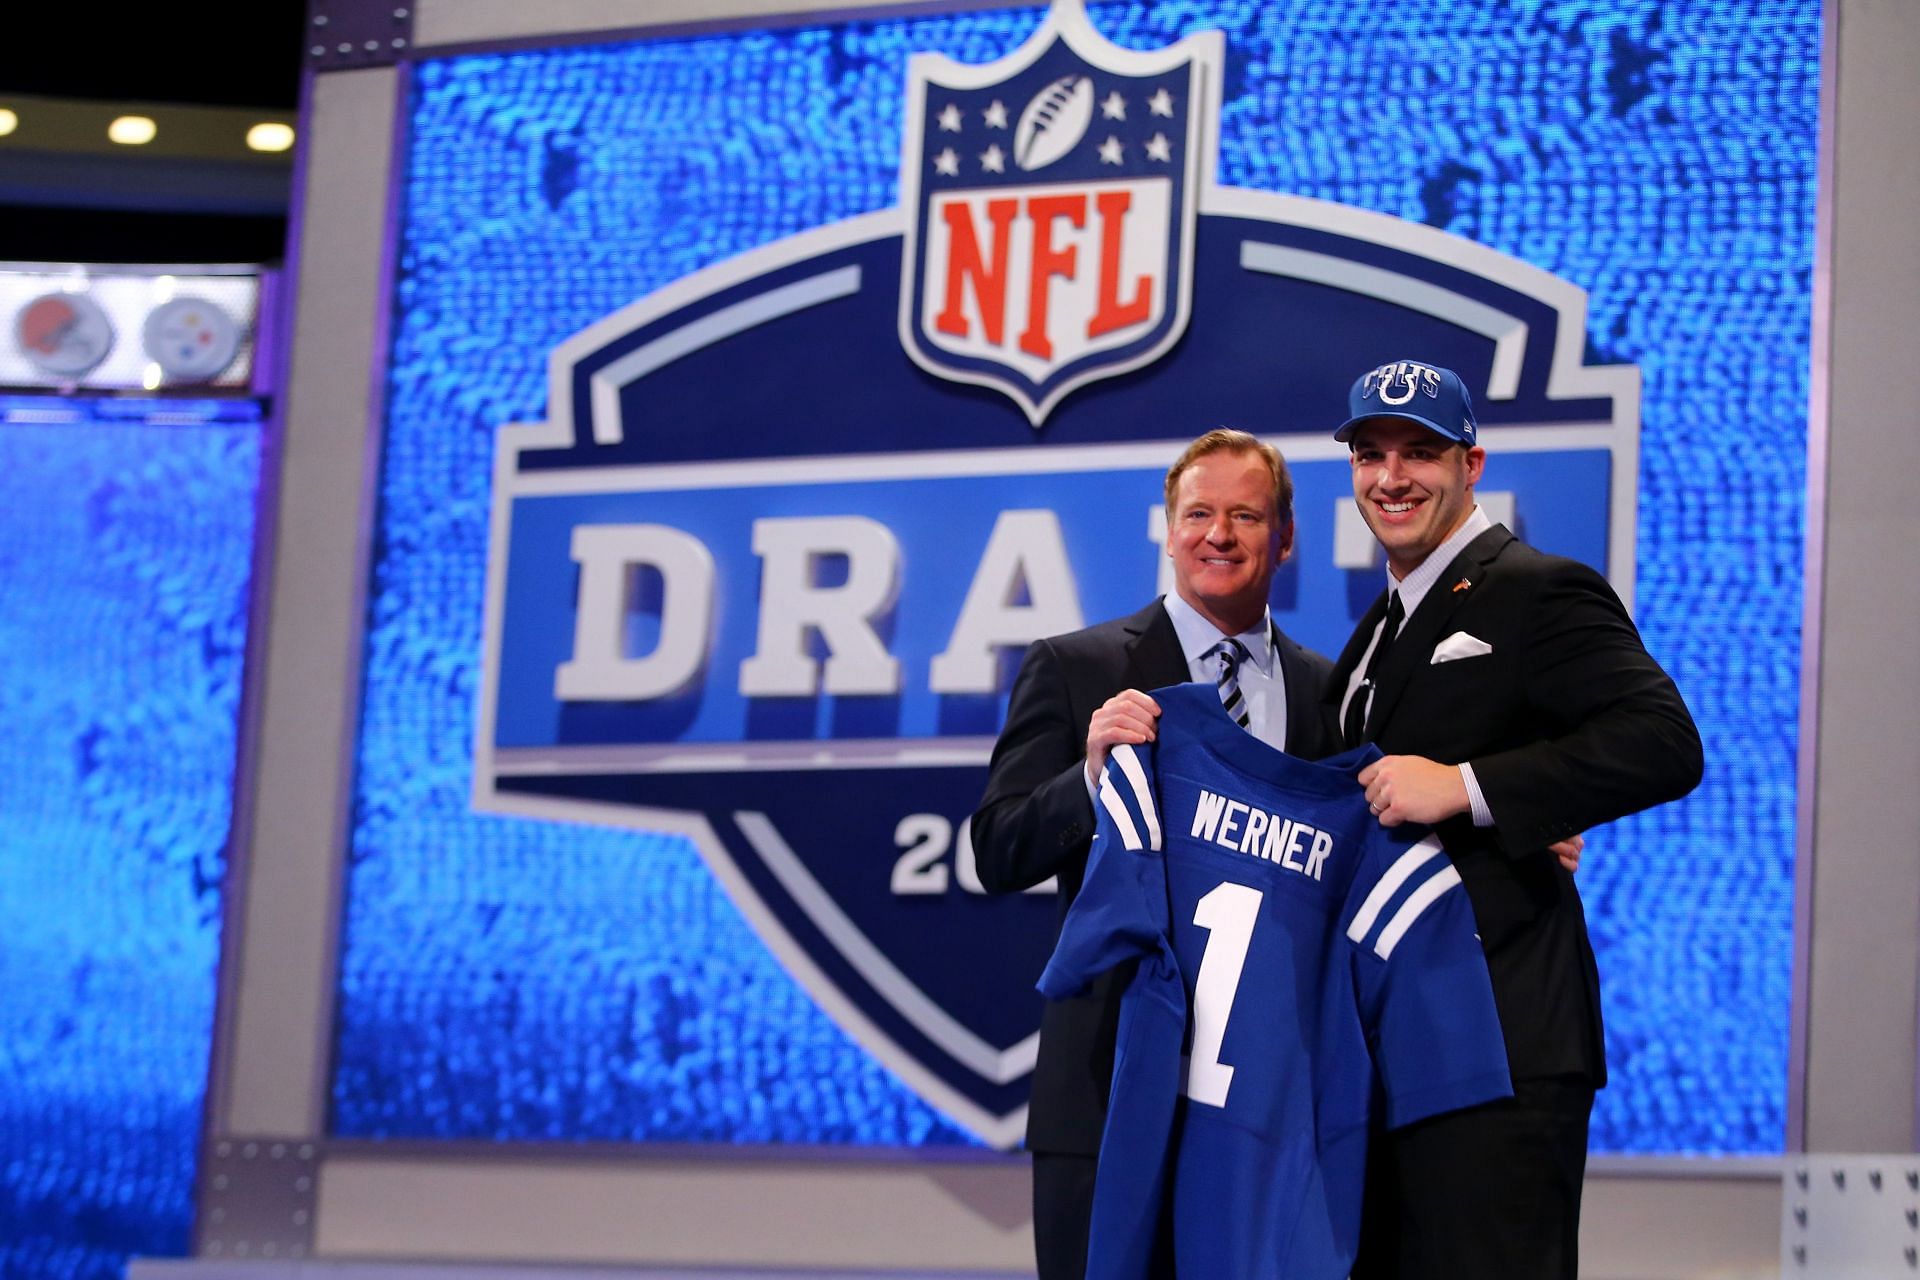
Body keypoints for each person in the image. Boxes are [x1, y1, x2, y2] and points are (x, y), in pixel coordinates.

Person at [1326, 359, 1704, 1279]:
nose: (1393, 476)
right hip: (1388, 1049)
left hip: (1500, 1045)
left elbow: (1664, 741)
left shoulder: (1537, 588)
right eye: (1371, 454)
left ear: (1473, 463)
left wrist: (1470, 787)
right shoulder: (1373, 632)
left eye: (1421, 451)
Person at [970, 428, 1338, 1280]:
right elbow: (998, 849)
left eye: (1247, 515)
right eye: (1199, 513)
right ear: (1166, 529)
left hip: (1267, 1104)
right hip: (1105, 1092)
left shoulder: (1327, 690)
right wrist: (1089, 776)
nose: (1220, 534)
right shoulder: (1075, 668)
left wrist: (1504, 836)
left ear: (1284, 537)